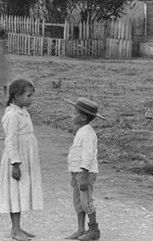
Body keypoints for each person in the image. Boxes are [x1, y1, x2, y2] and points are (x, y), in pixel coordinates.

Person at [0, 79, 43, 241]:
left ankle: (19, 227)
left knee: (21, 191)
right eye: (28, 96)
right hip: (17, 160)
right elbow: (10, 140)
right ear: (16, 96)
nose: (31, 99)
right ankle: (15, 230)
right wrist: (15, 163)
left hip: (26, 157)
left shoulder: (22, 111)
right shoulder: (12, 115)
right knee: (14, 193)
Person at [64, 97, 106, 241]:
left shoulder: (88, 133)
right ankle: (81, 229)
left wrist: (84, 173)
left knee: (86, 201)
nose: (71, 115)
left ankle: (94, 230)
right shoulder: (81, 131)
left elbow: (88, 154)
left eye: (74, 113)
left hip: (85, 173)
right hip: (76, 172)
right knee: (78, 201)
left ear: (82, 117)